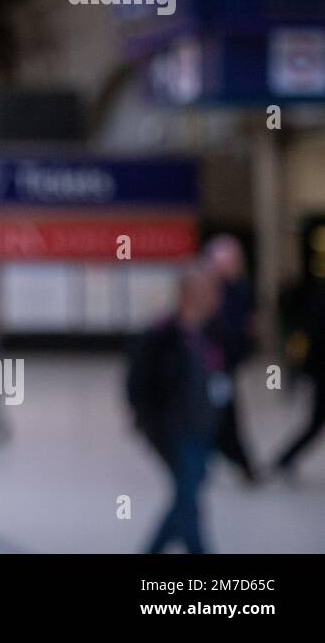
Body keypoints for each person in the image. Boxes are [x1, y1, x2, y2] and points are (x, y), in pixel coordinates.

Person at [127, 264, 223, 553]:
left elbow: (223, 383)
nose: (215, 298)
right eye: (208, 291)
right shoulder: (161, 336)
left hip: (205, 428)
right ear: (190, 294)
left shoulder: (211, 333)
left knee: (187, 495)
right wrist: (151, 423)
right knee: (188, 495)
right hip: (176, 431)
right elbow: (138, 384)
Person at [202, 234, 259, 483]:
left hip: (227, 363)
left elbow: (245, 325)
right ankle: (241, 462)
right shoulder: (210, 293)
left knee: (223, 413)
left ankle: (235, 460)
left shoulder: (241, 290)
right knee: (223, 414)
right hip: (213, 365)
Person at [274, 278, 325, 475]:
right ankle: (285, 458)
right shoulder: (318, 300)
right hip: (318, 368)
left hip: (313, 365)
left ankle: (285, 458)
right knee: (315, 424)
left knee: (314, 424)